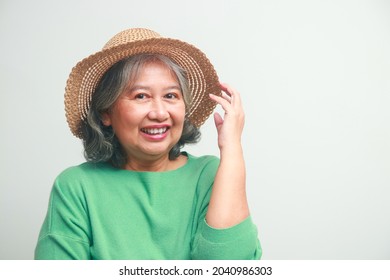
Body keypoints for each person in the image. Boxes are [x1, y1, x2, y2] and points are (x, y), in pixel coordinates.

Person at [35, 28, 262, 260]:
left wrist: (232, 148)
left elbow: (231, 268)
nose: (159, 113)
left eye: (171, 96)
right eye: (141, 96)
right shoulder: (76, 187)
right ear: (106, 112)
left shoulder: (209, 175)